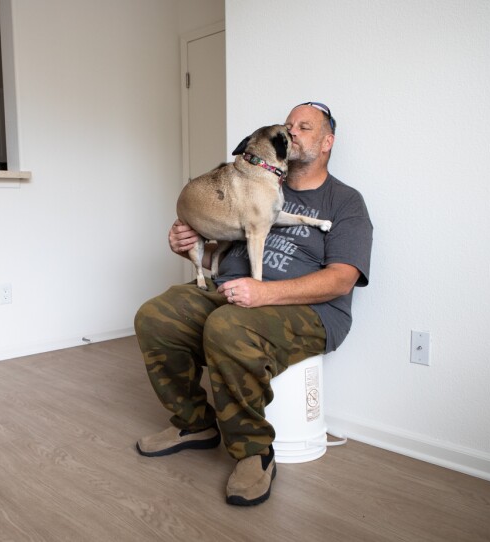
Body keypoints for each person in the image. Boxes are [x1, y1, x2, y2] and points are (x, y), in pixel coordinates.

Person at [134, 102, 373, 506]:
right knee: (157, 315)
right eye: (289, 124)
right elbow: (222, 259)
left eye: (305, 127)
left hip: (308, 311)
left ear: (327, 142)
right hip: (233, 291)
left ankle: (253, 451)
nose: (292, 131)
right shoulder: (253, 184)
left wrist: (265, 293)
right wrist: (190, 249)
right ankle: (194, 423)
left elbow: (342, 278)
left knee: (228, 327)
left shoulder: (344, 202)